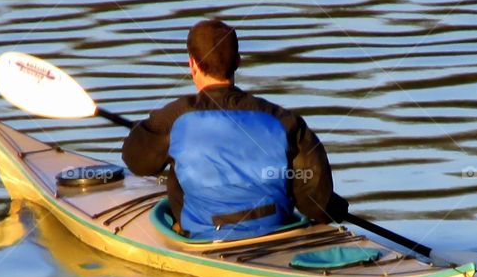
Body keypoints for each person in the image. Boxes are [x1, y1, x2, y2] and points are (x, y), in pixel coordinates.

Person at [122, 19, 346, 240]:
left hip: (206, 237)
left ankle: (187, 228)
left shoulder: (174, 117)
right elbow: (317, 202)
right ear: (238, 61)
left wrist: (146, 132)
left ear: (192, 64)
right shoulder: (284, 120)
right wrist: (334, 206)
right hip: (276, 230)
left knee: (176, 169)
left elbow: (136, 161)